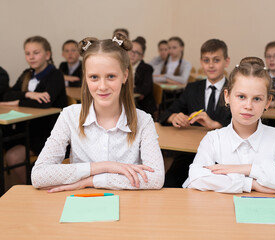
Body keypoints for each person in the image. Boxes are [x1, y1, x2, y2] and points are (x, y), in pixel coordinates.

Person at [31, 33, 165, 192]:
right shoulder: (69, 116)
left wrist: (91, 181)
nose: (102, 86)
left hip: (129, 207)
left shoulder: (143, 120)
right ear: (85, 78)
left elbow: (156, 178)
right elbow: (39, 175)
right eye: (94, 77)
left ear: (125, 75)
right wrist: (107, 166)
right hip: (80, 204)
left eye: (111, 76)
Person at [183, 57, 275, 194]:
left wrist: (249, 169)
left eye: (257, 99)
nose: (248, 106)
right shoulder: (213, 139)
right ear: (227, 96)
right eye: (241, 97)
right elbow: (196, 177)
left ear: (268, 102)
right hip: (222, 213)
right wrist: (250, 184)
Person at [159, 39, 231, 187]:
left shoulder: (235, 90)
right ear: (201, 62)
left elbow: (244, 125)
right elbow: (165, 114)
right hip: (189, 155)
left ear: (226, 61)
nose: (211, 65)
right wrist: (174, 117)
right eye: (206, 60)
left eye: (216, 60)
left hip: (222, 158)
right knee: (168, 184)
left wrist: (215, 125)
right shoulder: (192, 88)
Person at [0, 36, 67, 184]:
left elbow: (45, 104)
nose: (31, 57)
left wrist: (17, 101)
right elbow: (6, 95)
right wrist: (29, 94)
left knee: (12, 156)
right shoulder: (27, 74)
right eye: (27, 53)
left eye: (36, 53)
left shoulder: (55, 75)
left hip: (46, 132)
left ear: (47, 55)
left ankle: (31, 185)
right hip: (25, 128)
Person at [130, 36, 156, 116]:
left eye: (137, 52)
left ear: (142, 56)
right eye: (130, 50)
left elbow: (145, 89)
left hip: (142, 105)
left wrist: (128, 89)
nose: (132, 54)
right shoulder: (120, 66)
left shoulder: (147, 68)